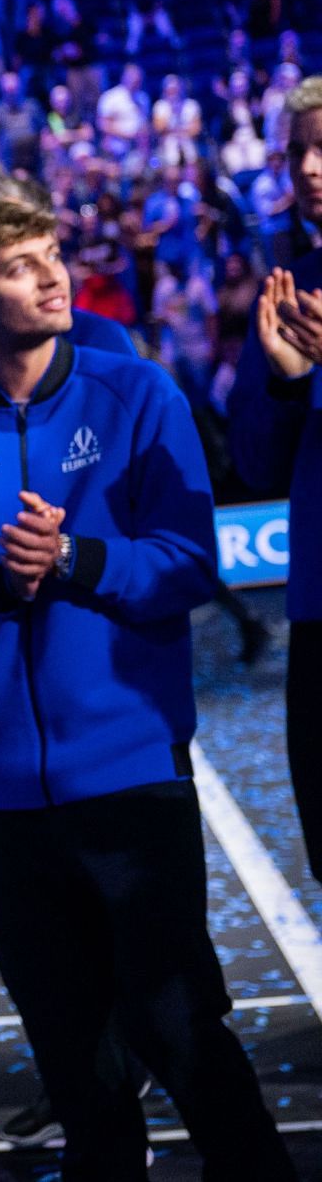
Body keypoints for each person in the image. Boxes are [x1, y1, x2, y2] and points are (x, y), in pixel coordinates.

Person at [0, 187, 294, 1180]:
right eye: (20, 265)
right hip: (8, 803)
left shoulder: (134, 394)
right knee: (81, 1081)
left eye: (52, 252)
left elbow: (190, 564)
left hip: (134, 776)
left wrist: (78, 563)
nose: (53, 274)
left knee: (186, 1037)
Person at [230, 75, 322, 882]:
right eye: (299, 152)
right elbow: (255, 462)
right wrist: (289, 382)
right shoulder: (288, 288)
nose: (313, 168)